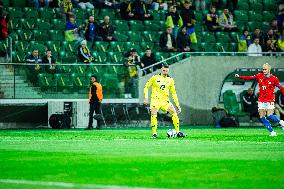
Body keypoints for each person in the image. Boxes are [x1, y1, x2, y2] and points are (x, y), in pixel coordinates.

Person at [235, 63, 284, 136]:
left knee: (270, 115)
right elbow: (249, 78)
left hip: (270, 100)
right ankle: (272, 132)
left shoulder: (274, 79)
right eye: (263, 69)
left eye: (265, 69)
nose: (264, 71)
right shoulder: (259, 76)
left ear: (269, 69)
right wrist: (240, 76)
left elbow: (280, 87)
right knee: (262, 117)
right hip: (261, 100)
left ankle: (281, 122)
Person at [144, 63, 187, 138]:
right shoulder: (154, 77)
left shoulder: (170, 80)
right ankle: (154, 133)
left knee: (174, 113)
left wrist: (177, 105)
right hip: (155, 100)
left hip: (165, 101)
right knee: (153, 113)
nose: (165, 72)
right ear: (161, 69)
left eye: (166, 71)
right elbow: (146, 87)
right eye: (164, 70)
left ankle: (178, 132)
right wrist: (146, 98)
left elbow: (174, 93)